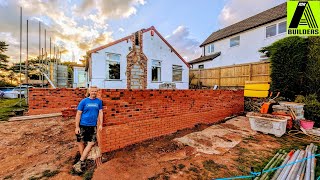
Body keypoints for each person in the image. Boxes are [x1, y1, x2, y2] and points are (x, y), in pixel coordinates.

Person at [73, 86, 103, 173]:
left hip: (93, 126)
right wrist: (77, 127)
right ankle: (83, 159)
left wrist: (101, 124)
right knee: (81, 142)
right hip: (82, 125)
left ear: (97, 92)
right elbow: (78, 114)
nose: (94, 92)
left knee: (91, 143)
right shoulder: (84, 101)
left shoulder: (99, 102)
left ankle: (81, 161)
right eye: (92, 91)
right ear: (89, 91)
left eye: (95, 91)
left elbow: (100, 112)